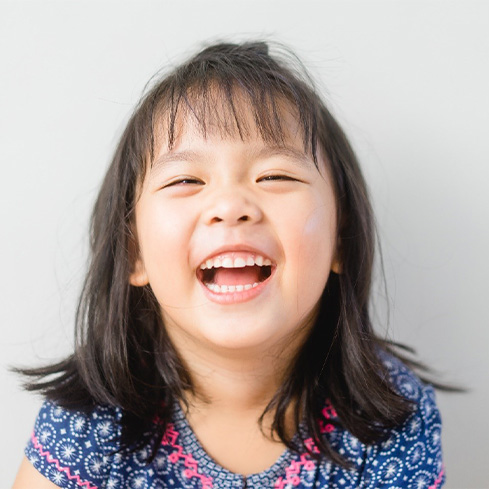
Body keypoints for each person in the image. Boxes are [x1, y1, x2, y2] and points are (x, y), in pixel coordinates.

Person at [12, 40, 445, 489]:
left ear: (341, 238)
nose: (230, 205)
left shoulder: (390, 415)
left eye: (275, 176)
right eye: (186, 180)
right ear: (132, 251)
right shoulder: (91, 419)